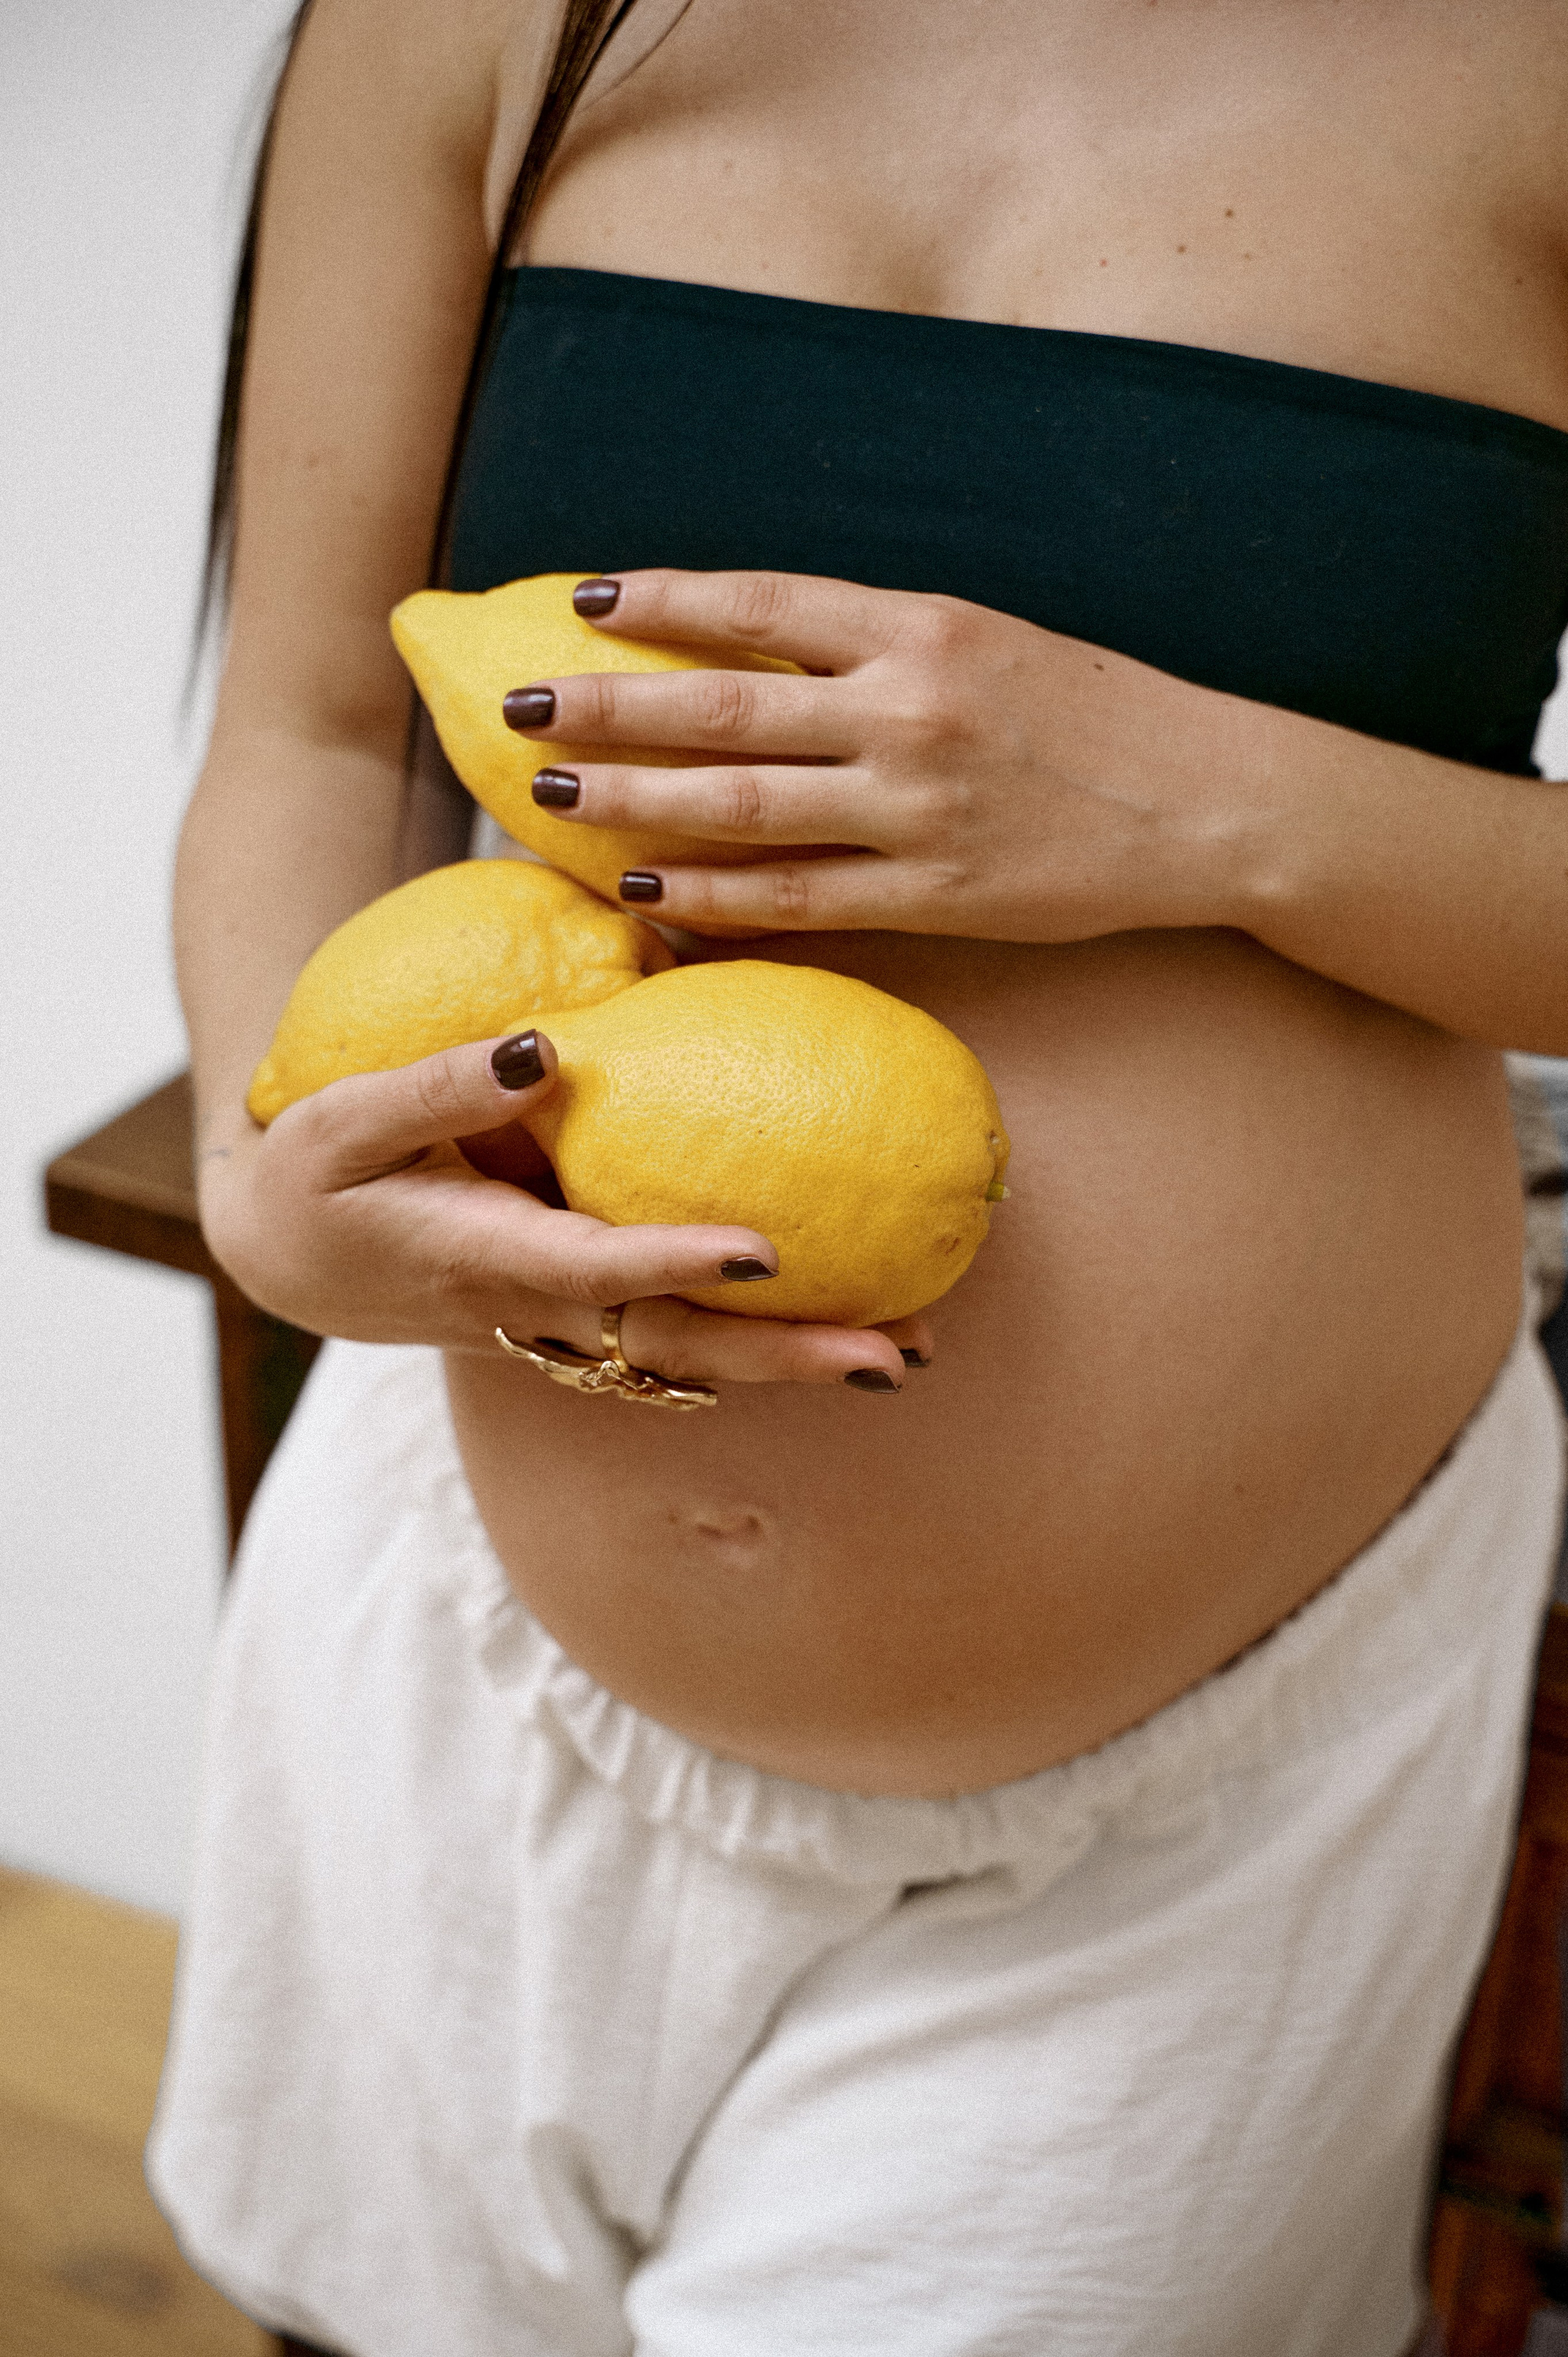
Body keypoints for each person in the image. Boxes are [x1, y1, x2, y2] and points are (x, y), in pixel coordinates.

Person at [148, 0, 1568, 2350]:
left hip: (1205, 1796)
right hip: (461, 1632)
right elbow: (315, 718)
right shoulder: (474, 21)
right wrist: (257, 1189)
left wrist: (1196, 798)